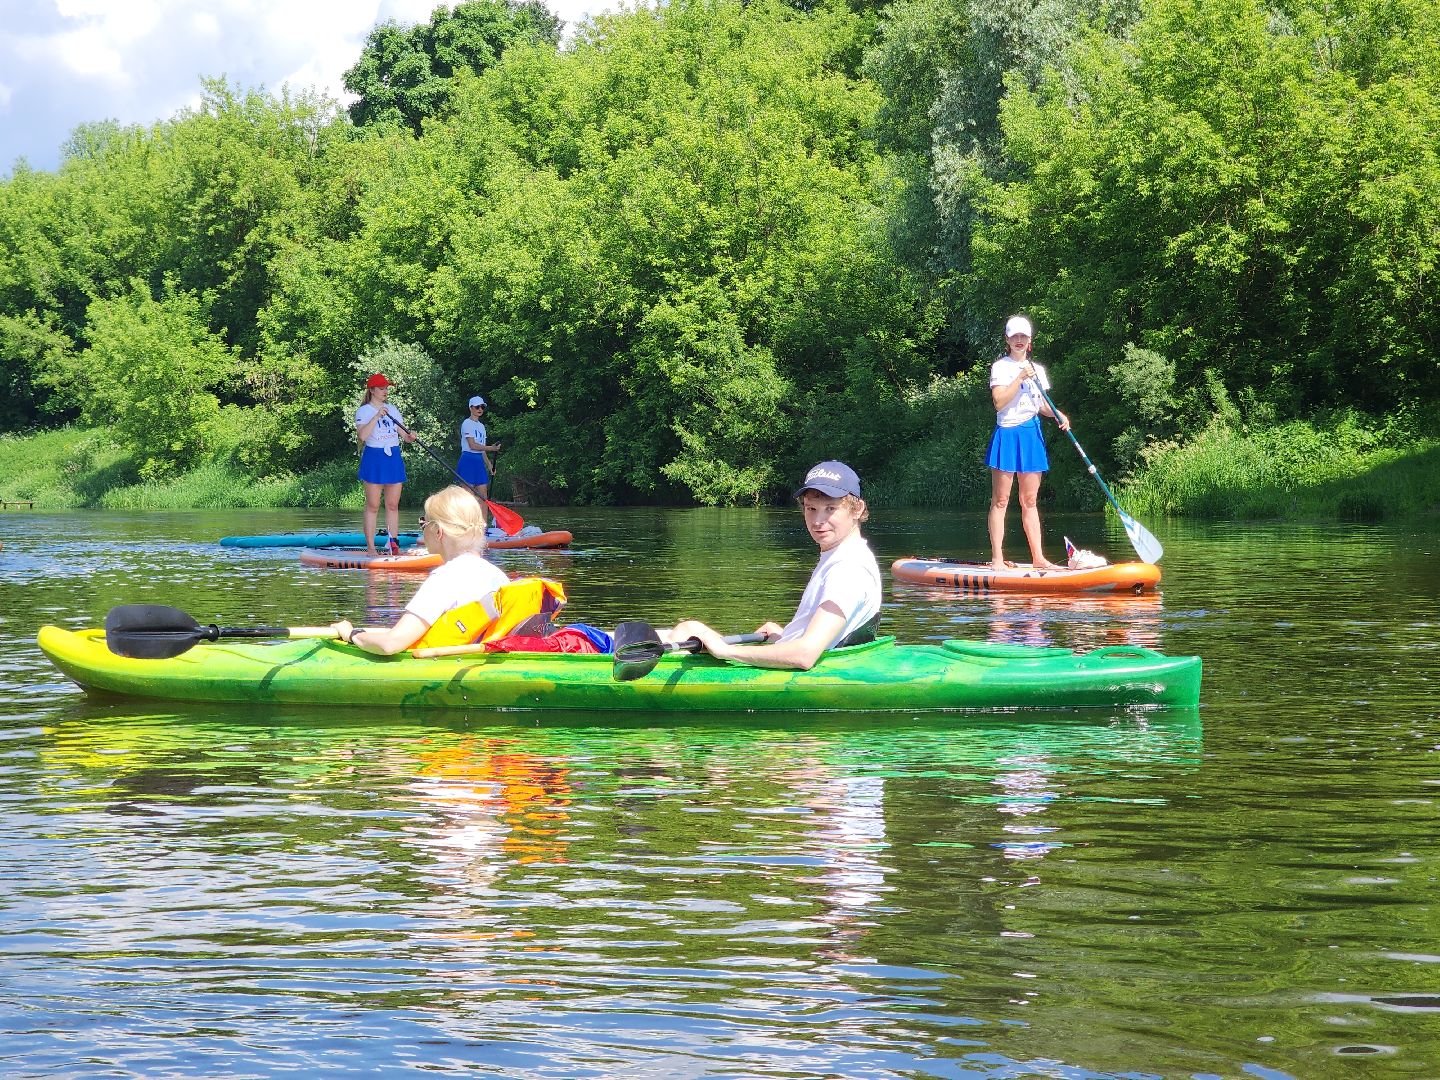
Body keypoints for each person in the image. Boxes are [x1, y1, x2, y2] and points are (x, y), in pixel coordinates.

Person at [659, 461, 882, 671]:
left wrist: (726, 651)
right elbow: (822, 636)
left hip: (802, 667)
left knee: (687, 631)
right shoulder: (843, 556)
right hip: (802, 652)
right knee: (689, 629)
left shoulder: (848, 569)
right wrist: (786, 636)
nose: (817, 521)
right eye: (811, 509)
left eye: (830, 509)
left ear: (857, 509)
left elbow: (805, 654)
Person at [330, 485, 509, 655]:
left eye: (423, 523)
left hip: (447, 668)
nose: (422, 530)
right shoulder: (498, 576)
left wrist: (352, 635)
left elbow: (390, 644)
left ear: (438, 532)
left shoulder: (445, 578)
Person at [986, 315, 1070, 571]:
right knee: (1000, 500)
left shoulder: (1039, 370)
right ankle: (997, 559)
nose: (1019, 340)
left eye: (1024, 336)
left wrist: (1058, 414)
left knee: (1030, 501)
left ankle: (1039, 558)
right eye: (1014, 336)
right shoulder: (1000, 367)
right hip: (1008, 433)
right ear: (1007, 340)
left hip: (1031, 434)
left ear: (1030, 340)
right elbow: (999, 402)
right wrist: (1020, 377)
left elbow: (1041, 404)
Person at [355, 373, 415, 555]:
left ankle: (393, 546)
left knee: (392, 505)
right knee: (373, 505)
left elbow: (404, 435)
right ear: (372, 390)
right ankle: (371, 547)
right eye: (381, 388)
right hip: (374, 457)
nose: (385, 391)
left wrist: (410, 436)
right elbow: (362, 437)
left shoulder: (393, 409)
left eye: (387, 388)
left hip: (393, 457)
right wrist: (376, 416)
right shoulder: (363, 411)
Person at [456, 396, 502, 501]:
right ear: (471, 408)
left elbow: (482, 450)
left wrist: (490, 465)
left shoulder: (481, 426)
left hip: (479, 461)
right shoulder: (467, 423)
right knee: (468, 497)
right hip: (468, 460)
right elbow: (472, 445)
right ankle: (467, 517)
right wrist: (492, 448)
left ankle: (483, 518)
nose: (480, 409)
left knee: (484, 497)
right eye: (477, 407)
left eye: (482, 407)